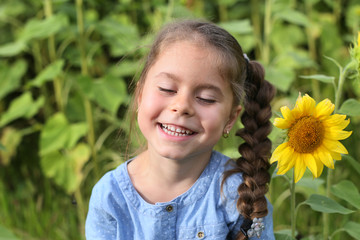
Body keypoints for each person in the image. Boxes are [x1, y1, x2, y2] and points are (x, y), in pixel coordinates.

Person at [85, 19, 276, 240]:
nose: (182, 106)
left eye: (206, 98)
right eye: (167, 89)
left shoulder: (240, 195)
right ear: (139, 97)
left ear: (231, 118)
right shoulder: (109, 197)